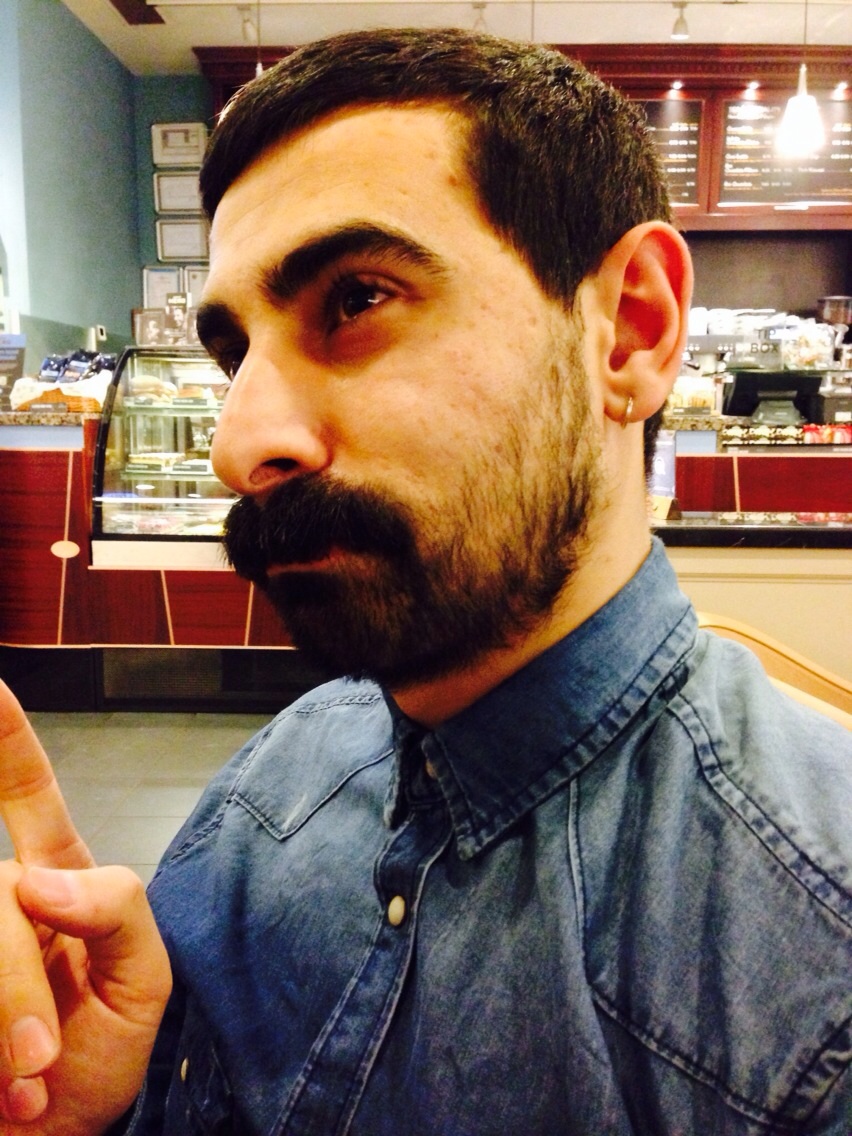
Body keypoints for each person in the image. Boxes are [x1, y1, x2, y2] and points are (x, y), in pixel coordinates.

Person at [1, 26, 850, 1135]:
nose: (237, 445)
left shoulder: (816, 974)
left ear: (631, 331)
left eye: (356, 298)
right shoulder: (270, 786)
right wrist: (97, 1109)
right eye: (234, 353)